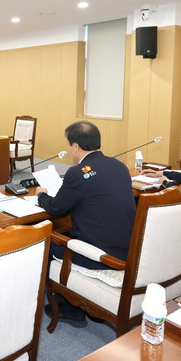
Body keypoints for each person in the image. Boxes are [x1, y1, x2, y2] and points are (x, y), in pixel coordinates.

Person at [35, 121, 136, 326]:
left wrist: (41, 195)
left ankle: (68, 308)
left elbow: (56, 208)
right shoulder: (119, 165)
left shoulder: (77, 172)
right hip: (128, 248)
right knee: (69, 232)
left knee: (45, 244)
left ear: (75, 146)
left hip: (102, 256)